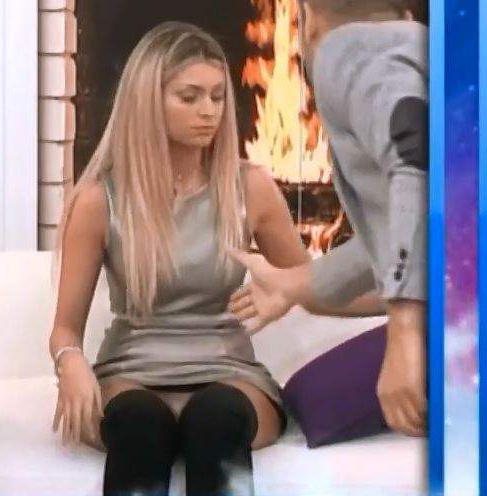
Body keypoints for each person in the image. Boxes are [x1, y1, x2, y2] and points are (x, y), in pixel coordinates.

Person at [48, 21, 385, 496]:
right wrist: (70, 363)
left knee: (215, 418)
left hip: (229, 373)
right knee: (140, 424)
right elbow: (64, 329)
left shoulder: (250, 187)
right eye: (189, 97)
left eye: (217, 96)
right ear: (147, 102)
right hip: (131, 372)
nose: (209, 111)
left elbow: (314, 288)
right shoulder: (97, 201)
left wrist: (411, 296)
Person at [230, 0, 428, 437]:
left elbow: (416, 160)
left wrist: (405, 333)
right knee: (311, 396)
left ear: (307, 21)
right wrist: (294, 285)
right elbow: (410, 228)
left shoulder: (348, 53)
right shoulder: (416, 46)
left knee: (319, 402)